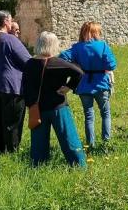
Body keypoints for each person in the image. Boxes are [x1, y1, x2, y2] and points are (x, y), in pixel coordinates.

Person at [23, 32, 86, 167]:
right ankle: (79, 166)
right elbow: (79, 72)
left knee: (38, 144)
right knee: (69, 139)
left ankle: (38, 168)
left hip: (37, 108)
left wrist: (30, 105)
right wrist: (69, 87)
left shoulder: (29, 64)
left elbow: (25, 87)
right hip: (58, 106)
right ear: (54, 45)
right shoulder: (58, 63)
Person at [60, 21, 117, 153]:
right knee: (106, 114)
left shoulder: (77, 47)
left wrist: (75, 64)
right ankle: (106, 143)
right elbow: (111, 65)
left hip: (84, 84)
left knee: (89, 116)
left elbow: (63, 56)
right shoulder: (102, 46)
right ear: (96, 32)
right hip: (101, 84)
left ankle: (90, 145)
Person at [0, 10, 31, 153]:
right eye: (11, 20)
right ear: (5, 22)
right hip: (11, 87)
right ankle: (12, 151)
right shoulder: (10, 39)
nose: (11, 23)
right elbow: (28, 62)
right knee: (12, 123)